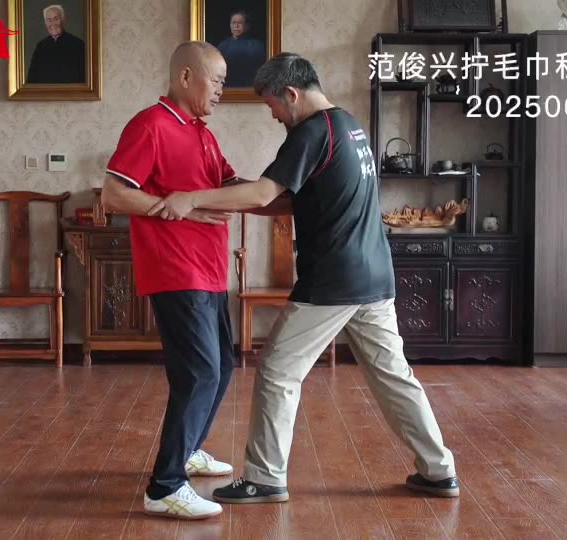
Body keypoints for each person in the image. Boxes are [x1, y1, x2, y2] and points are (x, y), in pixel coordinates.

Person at [147, 52, 460, 504]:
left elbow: (263, 193)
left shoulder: (311, 131)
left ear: (291, 94)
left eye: (272, 104)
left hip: (334, 280)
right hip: (374, 274)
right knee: (394, 377)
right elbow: (287, 200)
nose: (273, 115)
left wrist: (192, 198)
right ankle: (439, 470)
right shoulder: (348, 126)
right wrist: (225, 196)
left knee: (276, 371)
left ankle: (265, 478)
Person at [100, 41, 249, 520]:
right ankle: (165, 486)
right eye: (216, 80)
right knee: (199, 373)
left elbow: (229, 188)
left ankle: (188, 450)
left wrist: (284, 188)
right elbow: (113, 195)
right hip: (175, 268)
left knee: (221, 367)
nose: (222, 90)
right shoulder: (151, 125)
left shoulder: (203, 133)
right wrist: (174, 208)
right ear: (186, 77)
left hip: (210, 269)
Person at [26, 4, 85, 84]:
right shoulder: (41, 46)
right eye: (49, 20)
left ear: (63, 19)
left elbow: (83, 79)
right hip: (45, 92)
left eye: (56, 19)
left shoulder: (78, 44)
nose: (53, 23)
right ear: (45, 23)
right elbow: (31, 79)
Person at [216, 10, 265, 87]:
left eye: (240, 23)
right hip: (228, 87)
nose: (236, 26)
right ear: (230, 25)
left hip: (250, 87)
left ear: (247, 26)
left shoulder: (257, 46)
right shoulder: (223, 46)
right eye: (233, 23)